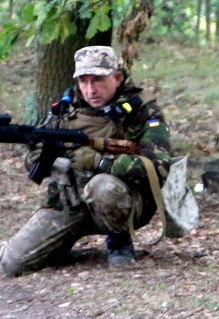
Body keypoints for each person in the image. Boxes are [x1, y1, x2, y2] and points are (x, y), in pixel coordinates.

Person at [1, 46, 171, 275]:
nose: (90, 90)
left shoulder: (141, 110)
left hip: (123, 203)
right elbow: (35, 161)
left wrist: (99, 162)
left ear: (116, 78)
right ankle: (60, 244)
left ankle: (119, 240)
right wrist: (39, 157)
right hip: (70, 201)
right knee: (13, 263)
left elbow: (158, 167)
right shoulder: (66, 108)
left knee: (103, 187)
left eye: (98, 80)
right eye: (84, 81)